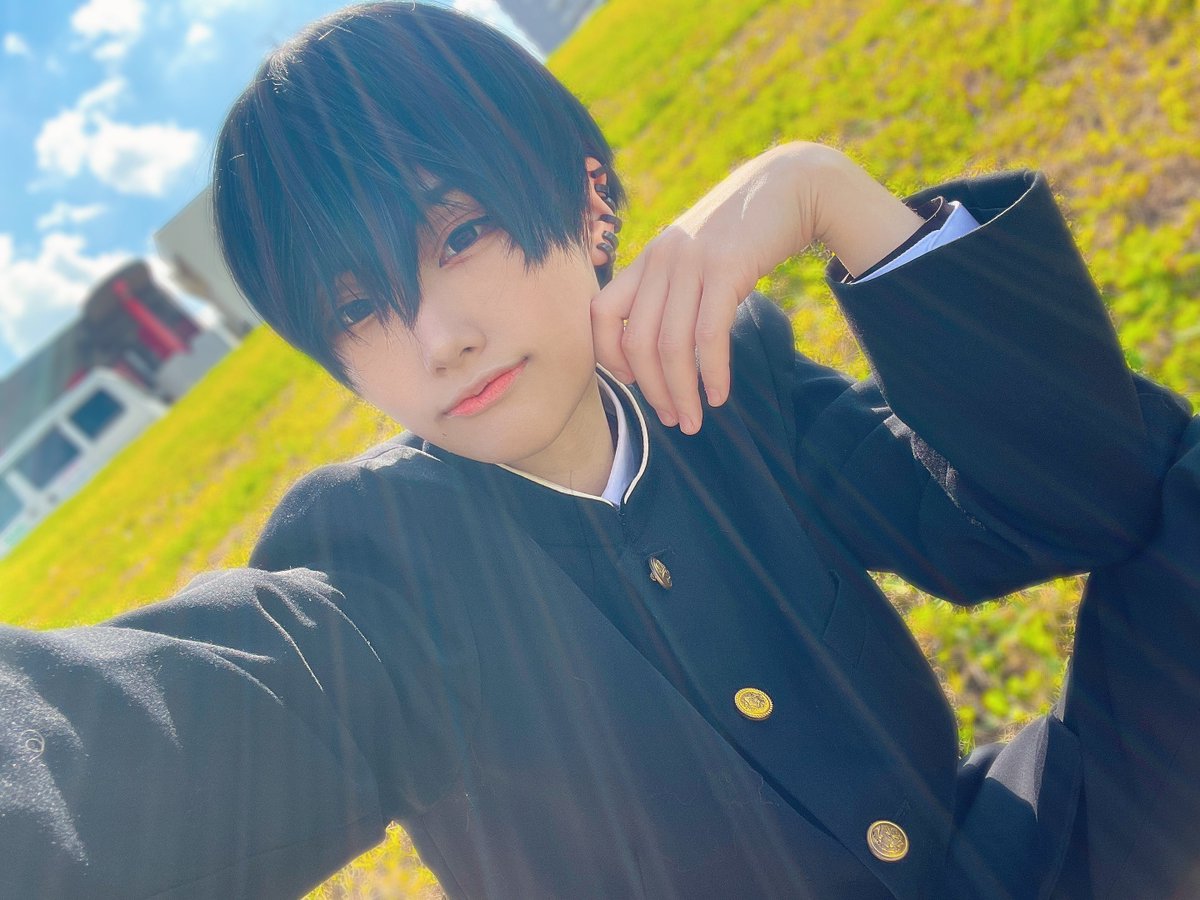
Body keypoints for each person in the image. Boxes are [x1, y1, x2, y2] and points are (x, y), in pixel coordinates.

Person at [1, 2, 1196, 897]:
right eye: (358, 309)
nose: (438, 338)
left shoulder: (731, 382)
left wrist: (826, 193)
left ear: (588, 203)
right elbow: (108, 755)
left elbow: (1078, 499)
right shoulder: (371, 566)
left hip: (1009, 865)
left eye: (459, 234)